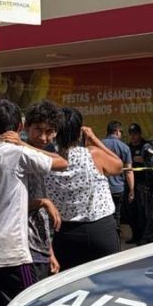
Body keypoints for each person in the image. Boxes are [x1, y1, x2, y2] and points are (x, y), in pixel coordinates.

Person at [0, 100, 66, 306]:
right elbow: (61, 163)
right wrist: (23, 146)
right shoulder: (18, 154)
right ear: (21, 127)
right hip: (12, 252)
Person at [42, 107, 124, 270]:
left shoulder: (47, 160)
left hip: (66, 234)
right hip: (100, 230)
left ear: (55, 132)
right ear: (79, 132)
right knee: (108, 283)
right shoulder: (93, 154)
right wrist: (94, 139)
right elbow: (118, 165)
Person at [23, 100, 65, 282]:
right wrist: (43, 203)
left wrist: (50, 253)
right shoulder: (20, 157)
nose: (43, 137)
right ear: (26, 127)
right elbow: (11, 204)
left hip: (40, 248)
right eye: (38, 130)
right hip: (24, 250)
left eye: (49, 132)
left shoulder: (38, 156)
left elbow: (61, 161)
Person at [103, 120, 134, 231]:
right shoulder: (124, 147)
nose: (121, 134)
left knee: (103, 216)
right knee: (116, 215)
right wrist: (131, 190)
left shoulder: (98, 145)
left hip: (102, 188)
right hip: (117, 189)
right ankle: (115, 240)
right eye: (121, 132)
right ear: (116, 131)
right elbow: (129, 171)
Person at [125, 123, 147, 243]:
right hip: (129, 183)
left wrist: (144, 159)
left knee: (141, 211)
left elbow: (152, 160)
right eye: (131, 134)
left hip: (142, 183)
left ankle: (143, 236)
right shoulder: (128, 148)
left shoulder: (146, 146)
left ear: (140, 134)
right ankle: (135, 235)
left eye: (135, 134)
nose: (133, 137)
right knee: (131, 211)